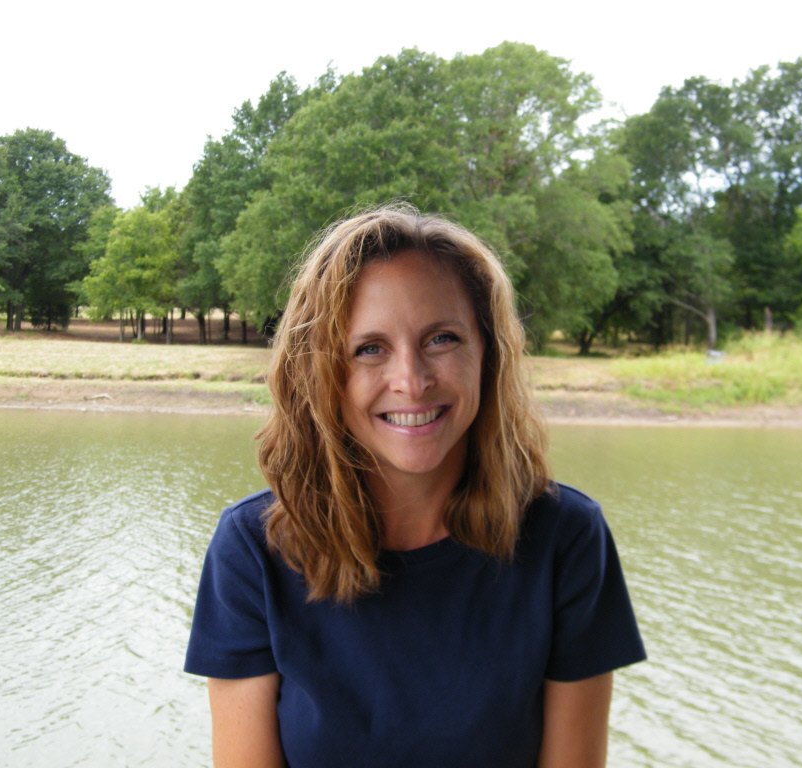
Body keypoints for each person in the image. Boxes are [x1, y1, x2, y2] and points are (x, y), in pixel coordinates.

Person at [184, 204, 646, 767]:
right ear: (322, 373)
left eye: (442, 339)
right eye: (369, 349)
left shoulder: (567, 539)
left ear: (488, 354)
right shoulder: (253, 551)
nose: (412, 380)